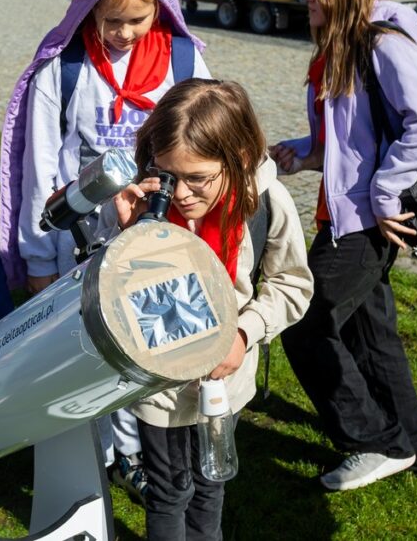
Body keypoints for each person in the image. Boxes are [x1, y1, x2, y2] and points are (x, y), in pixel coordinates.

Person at [0, 0, 212, 501]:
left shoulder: (184, 61)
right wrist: (39, 257)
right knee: (92, 351)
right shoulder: (63, 70)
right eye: (110, 19)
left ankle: (149, 448)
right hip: (81, 243)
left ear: (159, 8)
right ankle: (102, 456)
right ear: (88, 4)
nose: (122, 33)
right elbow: (40, 168)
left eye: (136, 21)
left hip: (160, 239)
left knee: (154, 343)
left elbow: (210, 142)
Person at [270, 0, 417, 491]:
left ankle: (375, 442)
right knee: (373, 338)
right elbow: (350, 139)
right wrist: (302, 155)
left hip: (367, 223)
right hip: (344, 215)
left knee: (303, 320)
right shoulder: (338, 47)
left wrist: (385, 191)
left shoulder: (384, 47)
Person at [106, 79, 313, 540]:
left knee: (209, 482)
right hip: (158, 384)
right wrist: (129, 236)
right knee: (168, 492)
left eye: (197, 178)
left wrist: (244, 334)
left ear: (238, 159)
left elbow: (292, 283)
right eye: (168, 175)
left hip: (223, 381)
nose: (180, 194)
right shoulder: (144, 200)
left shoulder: (264, 203)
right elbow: (114, 292)